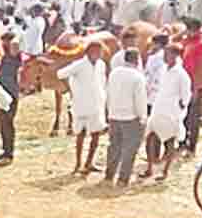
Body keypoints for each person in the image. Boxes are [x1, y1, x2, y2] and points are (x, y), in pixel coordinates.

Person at [57, 42, 108, 174]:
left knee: (96, 134)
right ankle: (78, 163)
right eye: (96, 51)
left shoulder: (101, 65)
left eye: (100, 51)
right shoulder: (80, 65)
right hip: (81, 104)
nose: (98, 54)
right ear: (89, 51)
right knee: (81, 134)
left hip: (97, 103)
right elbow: (61, 74)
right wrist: (71, 89)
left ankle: (89, 163)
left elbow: (102, 82)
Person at [143, 45, 192, 181]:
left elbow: (186, 95)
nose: (164, 57)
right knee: (150, 137)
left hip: (171, 111)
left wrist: (180, 108)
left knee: (170, 141)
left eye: (167, 54)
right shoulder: (164, 70)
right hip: (158, 107)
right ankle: (149, 167)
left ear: (175, 56)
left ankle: (165, 172)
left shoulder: (181, 75)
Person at [103, 49, 148, 187]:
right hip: (131, 117)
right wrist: (143, 117)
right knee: (130, 148)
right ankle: (123, 178)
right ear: (137, 60)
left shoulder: (114, 73)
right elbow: (140, 100)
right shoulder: (138, 77)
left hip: (114, 115)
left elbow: (108, 93)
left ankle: (109, 174)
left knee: (114, 146)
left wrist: (108, 111)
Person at [181, 18, 202, 155]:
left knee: (193, 117)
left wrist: (195, 88)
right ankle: (182, 141)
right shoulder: (187, 41)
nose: (187, 32)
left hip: (196, 84)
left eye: (189, 29)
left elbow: (200, 68)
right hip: (185, 82)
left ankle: (191, 146)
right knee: (184, 116)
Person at [0, 33, 23, 163]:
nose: (3, 45)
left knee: (8, 124)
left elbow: (16, 45)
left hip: (11, 95)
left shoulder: (15, 56)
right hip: (2, 94)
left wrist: (13, 39)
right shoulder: (5, 58)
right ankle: (5, 150)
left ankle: (9, 153)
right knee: (2, 124)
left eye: (5, 42)